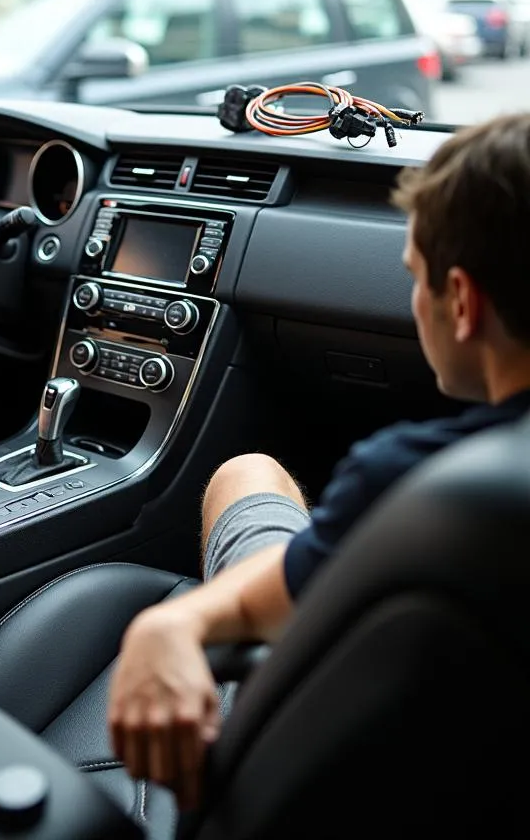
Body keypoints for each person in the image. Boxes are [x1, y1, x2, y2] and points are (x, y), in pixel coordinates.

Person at [107, 112, 530, 810]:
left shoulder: (422, 484)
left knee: (247, 473)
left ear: (460, 301)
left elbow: (269, 610)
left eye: (414, 277)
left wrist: (164, 624)